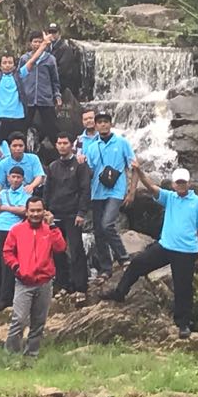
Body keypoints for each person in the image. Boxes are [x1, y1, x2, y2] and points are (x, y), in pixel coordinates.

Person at [101, 163, 198, 339]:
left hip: (186, 251)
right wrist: (139, 172)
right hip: (165, 246)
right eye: (178, 182)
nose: (180, 185)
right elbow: (151, 187)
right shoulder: (170, 197)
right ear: (173, 184)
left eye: (183, 182)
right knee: (137, 263)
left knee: (183, 288)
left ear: (189, 183)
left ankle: (183, 324)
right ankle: (120, 292)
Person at [3, 196, 67, 357]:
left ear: (44, 212)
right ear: (26, 212)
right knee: (19, 319)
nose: (35, 214)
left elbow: (60, 248)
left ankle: (31, 355)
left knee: (38, 322)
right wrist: (16, 267)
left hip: (44, 282)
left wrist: (52, 226)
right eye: (32, 211)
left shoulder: (49, 229)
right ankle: (11, 355)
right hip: (23, 281)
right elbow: (7, 252)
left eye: (39, 211)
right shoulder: (16, 230)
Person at [84, 111, 138, 280]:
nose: (103, 124)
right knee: (98, 231)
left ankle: (124, 257)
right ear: (95, 125)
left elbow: (135, 167)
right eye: (100, 122)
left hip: (116, 190)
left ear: (111, 124)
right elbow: (89, 172)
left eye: (106, 121)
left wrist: (132, 192)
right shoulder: (92, 147)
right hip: (97, 192)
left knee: (107, 224)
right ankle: (105, 268)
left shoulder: (122, 143)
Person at [45, 134, 91, 300]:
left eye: (65, 143)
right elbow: (47, 190)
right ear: (56, 145)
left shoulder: (80, 165)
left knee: (76, 249)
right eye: (60, 143)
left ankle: (81, 287)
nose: (62, 146)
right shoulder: (53, 166)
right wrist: (46, 210)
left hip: (73, 213)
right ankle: (63, 285)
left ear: (71, 145)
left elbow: (85, 189)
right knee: (57, 251)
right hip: (56, 213)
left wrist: (82, 212)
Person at [0, 166, 29, 311]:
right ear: (8, 178)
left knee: (8, 264)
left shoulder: (26, 193)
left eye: (18, 177)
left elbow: (24, 210)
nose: (15, 180)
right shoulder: (3, 192)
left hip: (12, 230)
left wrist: (4, 208)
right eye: (13, 177)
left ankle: (5, 297)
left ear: (23, 179)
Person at [19, 30, 63, 148]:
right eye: (35, 42)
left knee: (52, 127)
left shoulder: (50, 59)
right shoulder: (24, 59)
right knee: (22, 127)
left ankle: (59, 150)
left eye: (40, 42)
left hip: (45, 98)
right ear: (30, 43)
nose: (37, 44)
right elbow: (19, 78)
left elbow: (55, 80)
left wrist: (57, 95)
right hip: (28, 99)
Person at [0, 133, 45, 197]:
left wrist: (31, 186)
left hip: (29, 193)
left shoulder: (33, 158)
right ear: (9, 147)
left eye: (21, 146)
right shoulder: (3, 163)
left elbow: (39, 176)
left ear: (25, 146)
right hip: (9, 195)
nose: (18, 148)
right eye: (14, 146)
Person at [46, 23, 81, 99]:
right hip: (48, 86)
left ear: (59, 33)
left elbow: (63, 69)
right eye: (50, 32)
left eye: (54, 32)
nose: (52, 34)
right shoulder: (46, 48)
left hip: (61, 87)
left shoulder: (65, 48)